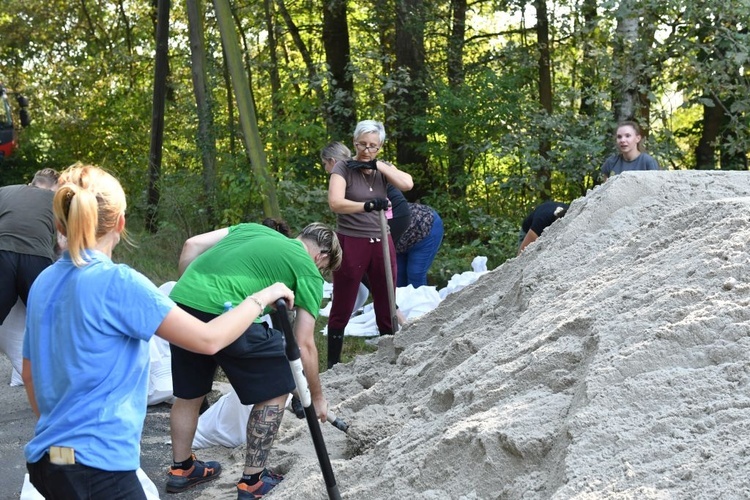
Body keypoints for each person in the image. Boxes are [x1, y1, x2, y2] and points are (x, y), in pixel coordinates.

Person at [21, 163, 295, 500]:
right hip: (98, 466)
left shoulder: (44, 281)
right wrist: (262, 296)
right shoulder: (118, 283)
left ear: (61, 220)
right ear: (120, 222)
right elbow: (208, 340)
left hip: (48, 459)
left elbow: (31, 375)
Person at [166, 221, 342, 499]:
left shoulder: (252, 229)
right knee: (279, 383)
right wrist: (316, 397)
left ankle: (182, 469)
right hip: (229, 312)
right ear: (322, 257)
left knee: (190, 393)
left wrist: (198, 296)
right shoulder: (309, 270)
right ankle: (253, 481)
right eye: (324, 269)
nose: (321, 272)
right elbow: (304, 343)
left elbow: (191, 245)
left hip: (182, 304)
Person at [323, 121, 413, 367]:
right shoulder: (342, 168)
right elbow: (336, 203)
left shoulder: (381, 168)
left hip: (381, 242)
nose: (366, 149)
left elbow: (407, 184)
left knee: (386, 298)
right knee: (344, 299)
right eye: (362, 144)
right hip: (351, 241)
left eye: (373, 146)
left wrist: (380, 166)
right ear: (354, 142)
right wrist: (368, 205)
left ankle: (388, 356)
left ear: (380, 147)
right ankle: (333, 363)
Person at [0, 168, 59, 325]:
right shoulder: (56, 200)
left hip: (3, 252)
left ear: (33, 182)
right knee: (44, 318)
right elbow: (63, 241)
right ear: (54, 188)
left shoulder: (5, 191)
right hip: (37, 257)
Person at [395, 203, 444, 287]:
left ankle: (420, 300)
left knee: (415, 275)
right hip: (400, 242)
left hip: (425, 228)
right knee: (398, 278)